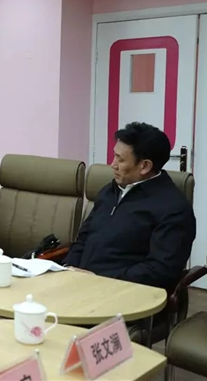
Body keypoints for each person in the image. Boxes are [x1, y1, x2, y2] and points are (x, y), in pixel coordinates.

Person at [64, 122, 196, 292]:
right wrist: (68, 269)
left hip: (125, 292)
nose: (113, 164)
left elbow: (160, 270)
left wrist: (100, 279)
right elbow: (83, 240)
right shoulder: (109, 191)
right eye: (114, 156)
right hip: (81, 284)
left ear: (145, 166)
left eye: (120, 159)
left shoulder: (174, 208)